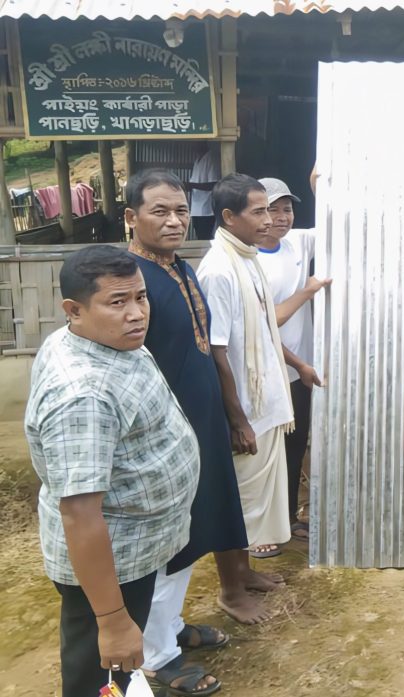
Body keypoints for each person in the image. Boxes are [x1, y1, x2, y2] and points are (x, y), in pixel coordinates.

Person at [24, 246, 199, 697]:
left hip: (133, 547)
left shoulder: (103, 340)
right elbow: (81, 515)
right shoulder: (81, 395)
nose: (137, 313)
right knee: (100, 676)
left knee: (119, 673)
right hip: (110, 563)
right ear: (74, 310)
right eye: (117, 302)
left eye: (141, 297)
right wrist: (112, 619)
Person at [127, 169, 276, 693]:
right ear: (131, 218)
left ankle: (170, 628)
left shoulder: (182, 271)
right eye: (159, 211)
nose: (173, 221)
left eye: (180, 211)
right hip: (163, 435)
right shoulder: (129, 282)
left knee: (193, 533)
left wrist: (229, 415)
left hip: (201, 423)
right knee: (166, 541)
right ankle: (155, 656)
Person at [197, 174, 294, 599]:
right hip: (246, 412)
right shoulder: (219, 270)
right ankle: (231, 589)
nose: (269, 219)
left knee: (254, 505)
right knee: (237, 504)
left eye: (270, 210)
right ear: (229, 216)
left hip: (265, 402)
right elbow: (217, 351)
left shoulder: (248, 257)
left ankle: (246, 572)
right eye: (258, 211)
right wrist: (237, 420)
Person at [256, 177, 330, 541]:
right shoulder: (250, 260)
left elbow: (336, 220)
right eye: (273, 209)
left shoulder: (297, 242)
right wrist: (308, 291)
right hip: (269, 372)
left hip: (299, 369)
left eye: (287, 209)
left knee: (296, 443)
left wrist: (321, 178)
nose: (282, 217)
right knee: (267, 451)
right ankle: (263, 530)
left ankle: (287, 518)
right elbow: (272, 321)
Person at [188, 145, 220, 241]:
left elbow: (214, 184)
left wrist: (191, 185)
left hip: (207, 209)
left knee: (205, 237)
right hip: (196, 208)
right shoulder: (197, 159)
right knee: (200, 236)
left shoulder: (211, 158)